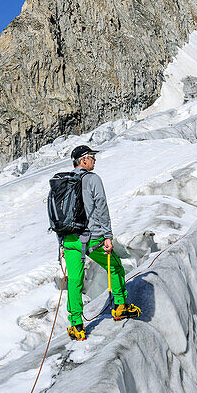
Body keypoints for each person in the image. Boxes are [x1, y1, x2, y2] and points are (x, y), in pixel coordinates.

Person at [59, 145, 140, 341]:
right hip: (92, 237)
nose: (94, 160)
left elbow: (58, 214)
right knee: (115, 267)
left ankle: (77, 326)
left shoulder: (64, 182)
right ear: (83, 160)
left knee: (75, 281)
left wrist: (62, 242)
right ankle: (120, 306)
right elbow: (101, 205)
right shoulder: (92, 179)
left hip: (70, 239)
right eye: (91, 157)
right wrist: (107, 235)